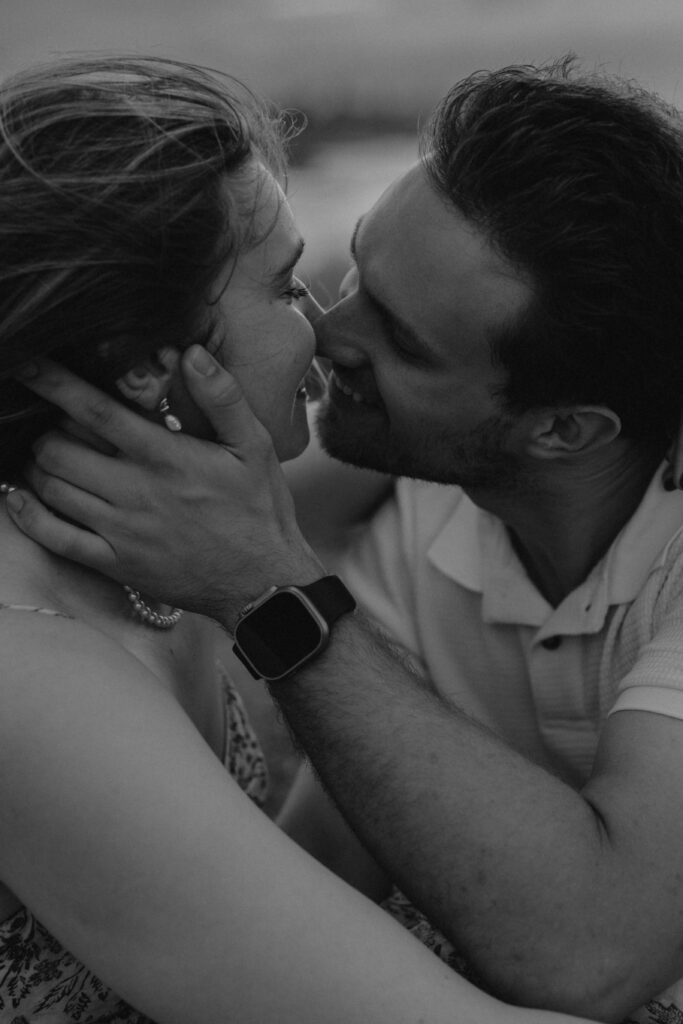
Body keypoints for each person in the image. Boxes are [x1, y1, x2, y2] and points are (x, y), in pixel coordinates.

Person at [11, 55, 683, 1024]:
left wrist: (270, 590)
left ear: (560, 430)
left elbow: (590, 952)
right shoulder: (391, 479)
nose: (328, 332)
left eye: (402, 341)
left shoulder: (251, 538)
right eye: (333, 274)